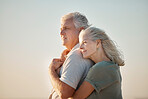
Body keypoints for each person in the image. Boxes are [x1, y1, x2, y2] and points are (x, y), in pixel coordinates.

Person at [68, 27, 125, 99]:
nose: (80, 47)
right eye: (80, 44)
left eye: (84, 42)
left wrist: (52, 72)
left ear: (98, 43)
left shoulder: (101, 68)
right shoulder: (111, 66)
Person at [48, 12, 94, 99]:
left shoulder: (77, 55)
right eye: (61, 29)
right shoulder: (78, 53)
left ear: (81, 31)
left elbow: (64, 93)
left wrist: (51, 71)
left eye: (66, 28)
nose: (61, 33)